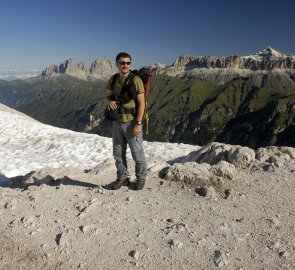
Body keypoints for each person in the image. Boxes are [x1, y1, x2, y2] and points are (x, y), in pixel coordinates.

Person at [106, 52, 147, 190]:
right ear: (117, 63)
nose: (125, 65)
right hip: (117, 122)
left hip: (132, 122)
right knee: (118, 153)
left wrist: (139, 123)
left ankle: (141, 178)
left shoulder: (136, 80)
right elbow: (108, 96)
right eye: (122, 63)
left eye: (128, 63)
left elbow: (142, 103)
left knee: (137, 153)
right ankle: (122, 178)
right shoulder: (113, 79)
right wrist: (110, 101)